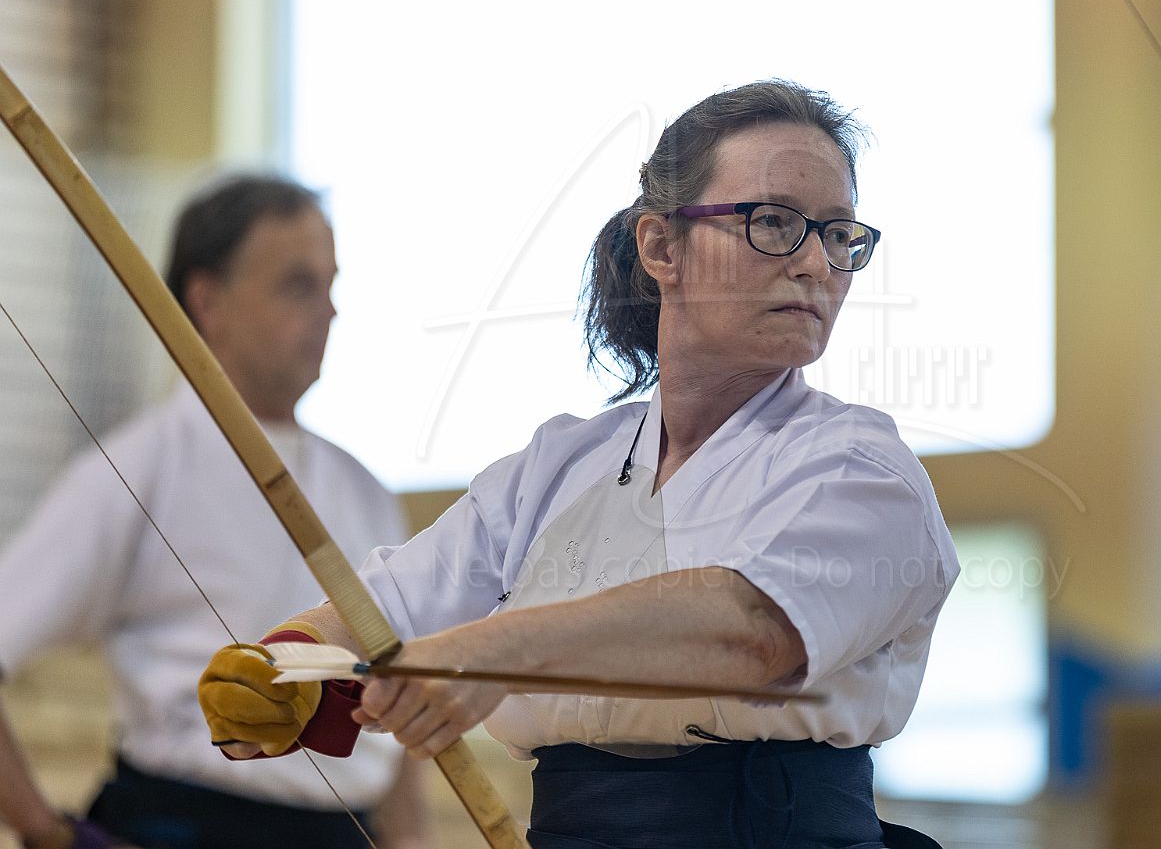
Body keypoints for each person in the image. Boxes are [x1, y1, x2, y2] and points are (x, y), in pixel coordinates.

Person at [200, 83, 960, 848]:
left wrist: (490, 652)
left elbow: (750, 632)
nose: (816, 264)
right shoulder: (556, 467)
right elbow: (391, 606)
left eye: (838, 235)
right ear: (662, 247)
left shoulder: (863, 469)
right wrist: (281, 670)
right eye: (773, 222)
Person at [0, 174, 431, 849]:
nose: (329, 311)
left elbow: (393, 703)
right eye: (298, 285)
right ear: (207, 300)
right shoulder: (136, 469)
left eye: (331, 284)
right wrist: (45, 832)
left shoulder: (366, 491)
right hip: (181, 825)